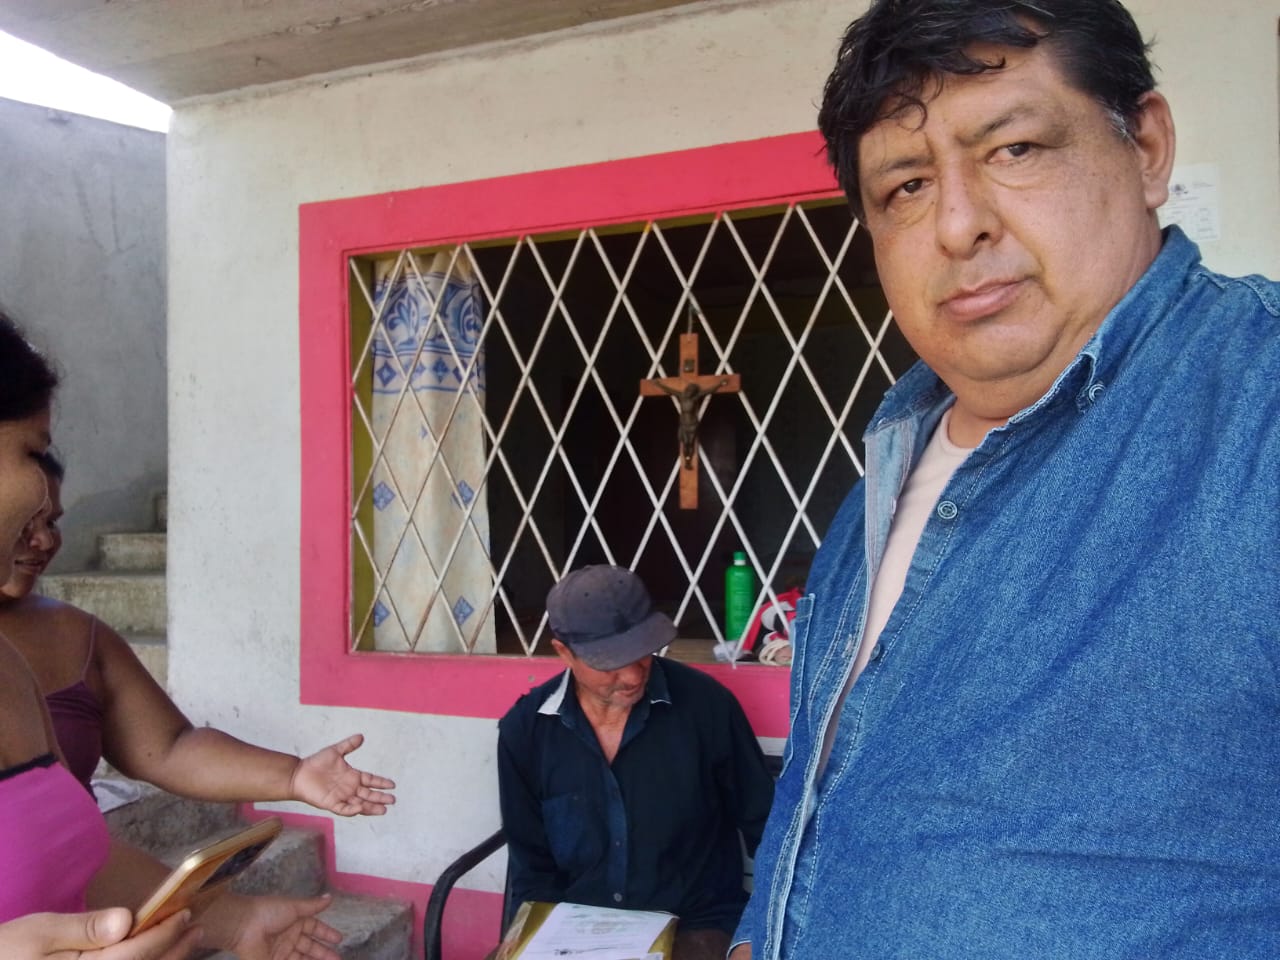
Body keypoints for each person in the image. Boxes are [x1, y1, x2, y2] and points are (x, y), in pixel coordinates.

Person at [732, 1, 1280, 958]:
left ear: (1147, 148)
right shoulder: (888, 469)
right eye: (905, 186)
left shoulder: (1258, 410)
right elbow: (817, 806)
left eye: (1015, 149)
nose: (957, 224)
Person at [0, 311, 341, 960]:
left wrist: (233, 920)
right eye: (33, 454)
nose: (41, 511)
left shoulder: (15, 668)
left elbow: (75, 855)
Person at [0, 451, 396, 814]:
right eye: (23, 521)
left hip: (77, 870)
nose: (44, 540)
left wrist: (294, 775)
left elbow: (171, 748)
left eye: (50, 522)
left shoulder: (77, 635)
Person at [497, 565, 775, 960]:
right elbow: (532, 870)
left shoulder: (707, 707)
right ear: (563, 652)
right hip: (580, 933)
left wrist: (754, 932)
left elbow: (770, 830)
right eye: (609, 662)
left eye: (642, 653)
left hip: (697, 925)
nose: (631, 676)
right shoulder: (525, 732)